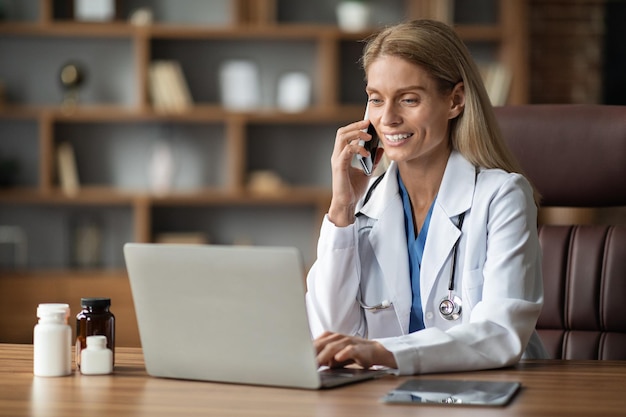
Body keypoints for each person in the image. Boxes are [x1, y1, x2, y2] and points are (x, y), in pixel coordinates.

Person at [305, 19, 548, 375]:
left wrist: (382, 353)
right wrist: (341, 208)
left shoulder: (502, 196)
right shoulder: (364, 205)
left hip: (486, 395)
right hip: (386, 399)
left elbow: (499, 333)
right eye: (376, 99)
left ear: (455, 100)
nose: (387, 118)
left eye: (408, 99)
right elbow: (329, 336)